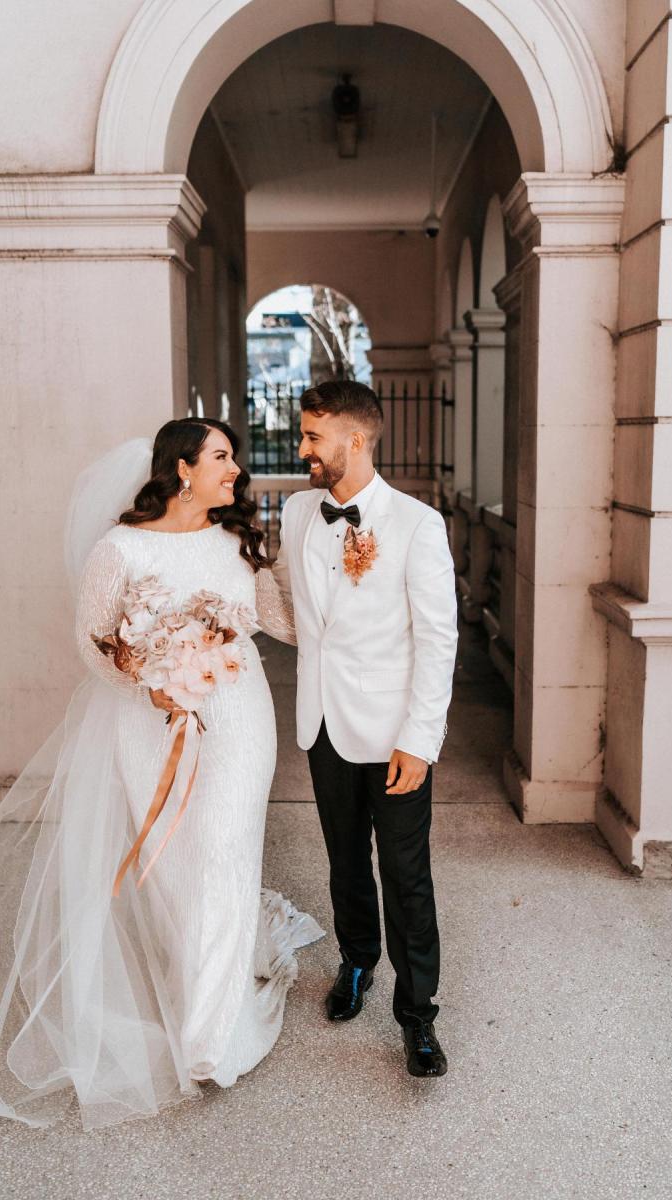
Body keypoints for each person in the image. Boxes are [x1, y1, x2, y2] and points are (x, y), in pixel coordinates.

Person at [0, 418, 323, 1130]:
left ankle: (212, 1040)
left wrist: (309, 562)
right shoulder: (118, 549)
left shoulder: (239, 543)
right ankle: (196, 982)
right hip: (146, 721)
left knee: (220, 848)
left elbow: (288, 624)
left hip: (238, 716)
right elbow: (94, 642)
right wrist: (147, 679)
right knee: (173, 862)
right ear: (181, 469)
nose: (235, 472)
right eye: (222, 459)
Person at [272, 380, 458, 1077]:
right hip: (322, 724)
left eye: (313, 436)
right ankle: (356, 964)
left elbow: (438, 640)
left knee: (407, 876)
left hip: (393, 733)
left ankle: (418, 1015)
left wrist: (421, 737)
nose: (302, 449)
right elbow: (292, 605)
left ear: (354, 440)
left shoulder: (416, 524)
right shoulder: (295, 514)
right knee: (345, 861)